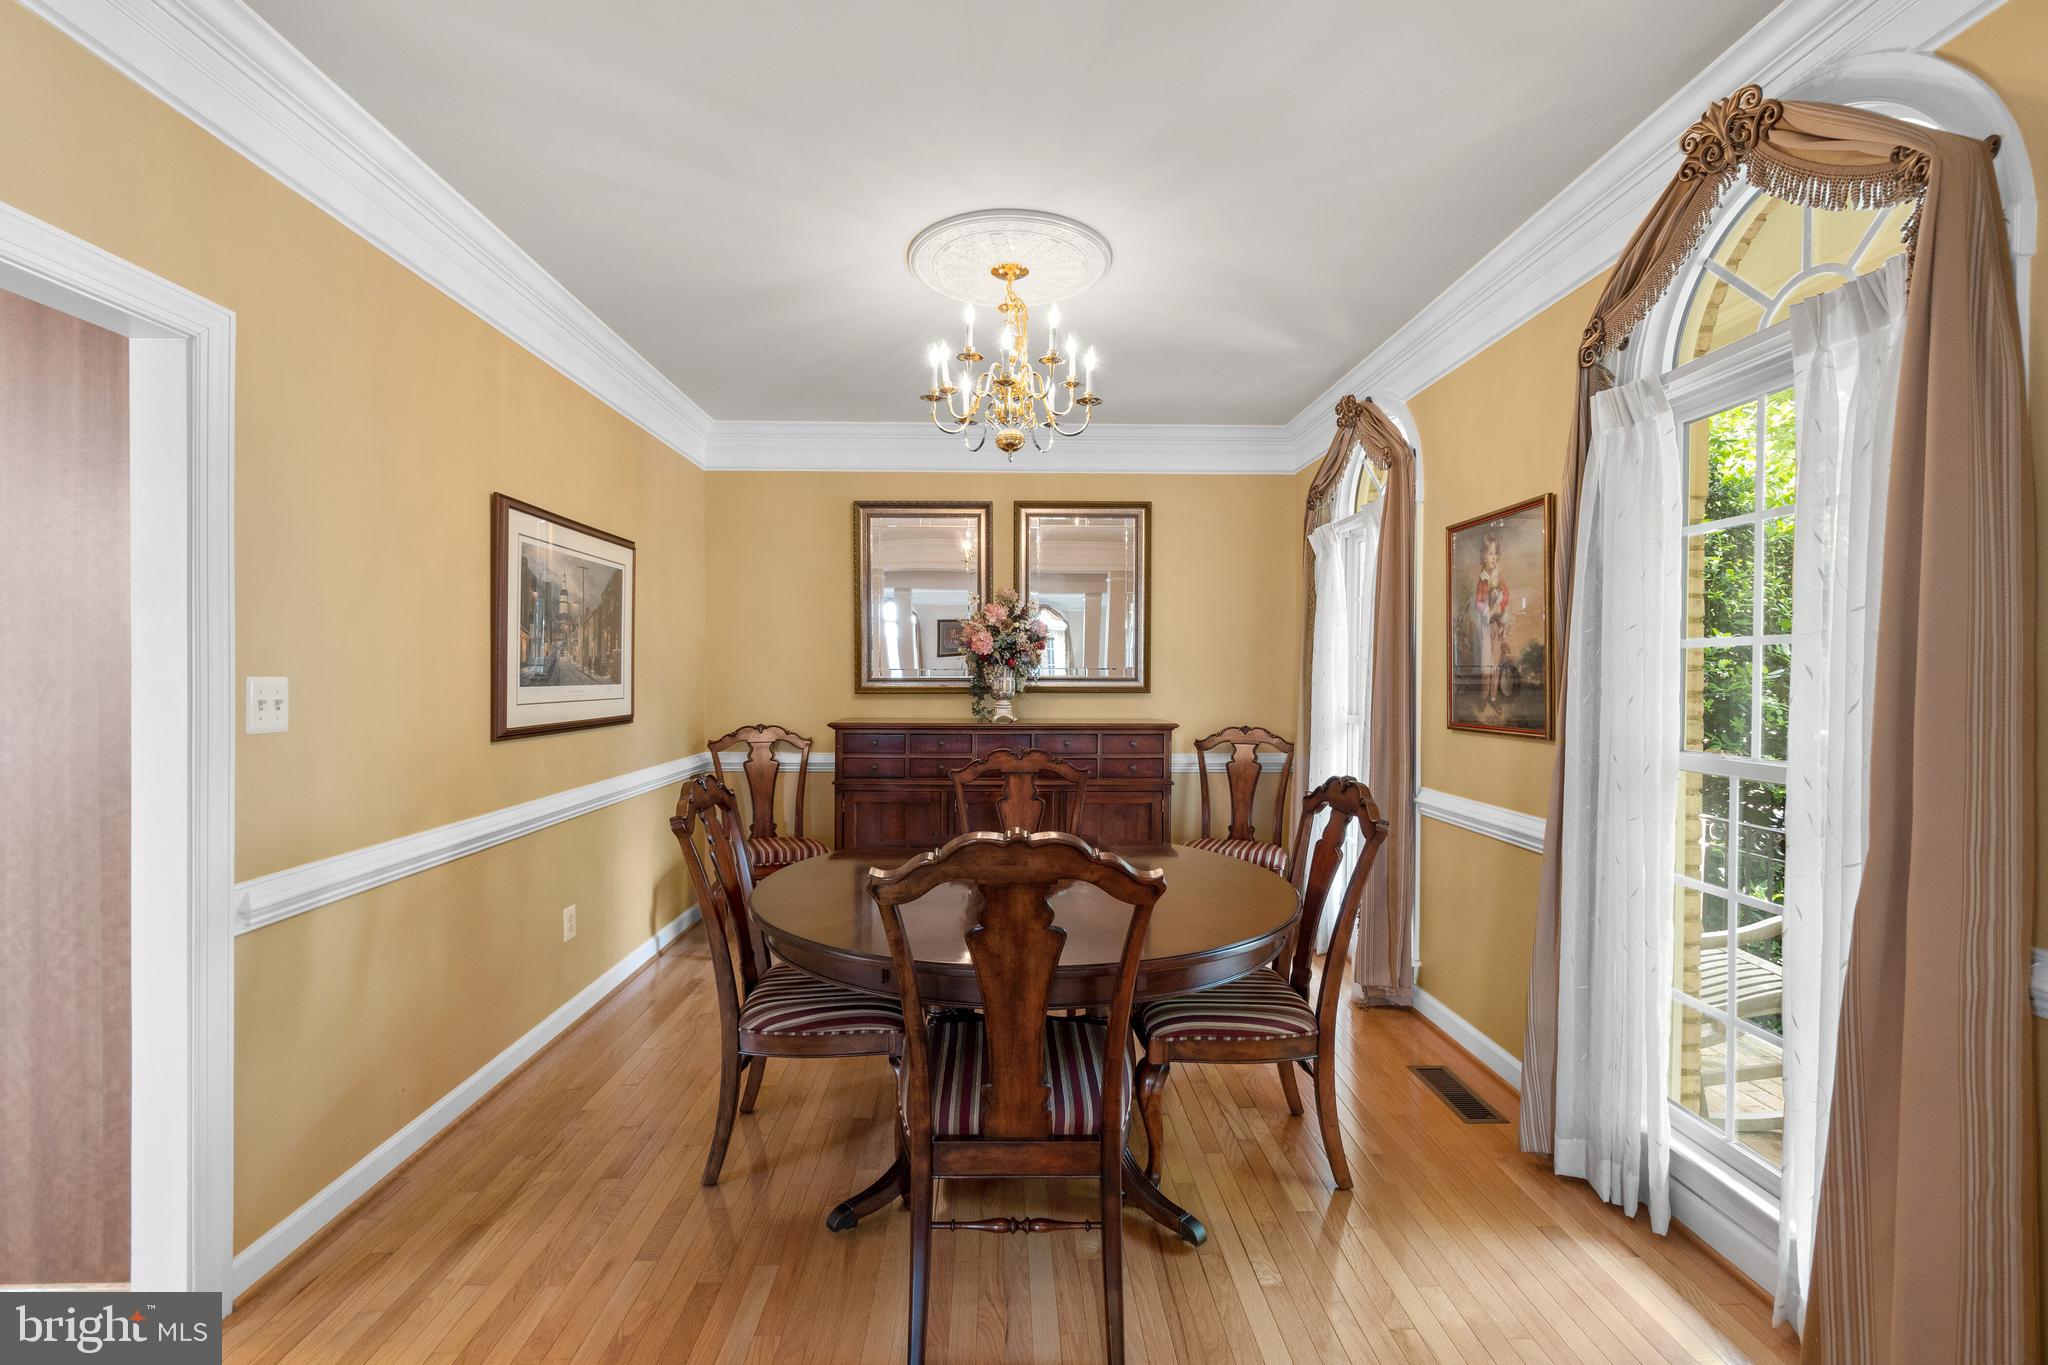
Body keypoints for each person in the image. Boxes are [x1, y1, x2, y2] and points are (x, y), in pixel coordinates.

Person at [1473, 530, 1512, 713]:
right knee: (1486, 665)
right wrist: (1488, 610)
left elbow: (1506, 595)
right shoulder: (1483, 579)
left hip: (1497, 624)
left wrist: (1500, 607)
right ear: (1483, 556)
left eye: (1496, 553)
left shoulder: (1500, 576)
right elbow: (1479, 603)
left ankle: (1494, 697)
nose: (1493, 557)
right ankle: (1482, 697)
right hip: (1486, 625)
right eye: (1490, 553)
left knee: (1495, 664)